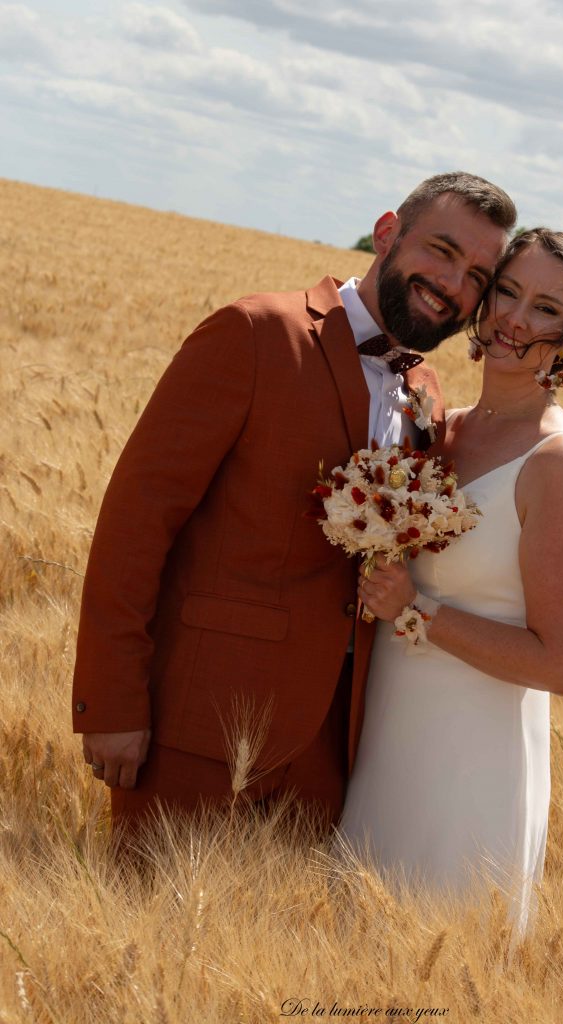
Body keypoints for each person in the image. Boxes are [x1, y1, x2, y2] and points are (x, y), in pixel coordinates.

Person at [71, 172, 516, 831]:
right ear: (387, 231)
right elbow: (137, 522)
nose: (453, 285)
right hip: (199, 729)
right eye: (442, 252)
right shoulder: (254, 332)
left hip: (333, 759)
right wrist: (109, 704)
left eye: (479, 276)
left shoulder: (426, 389)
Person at [340, 228, 563, 932]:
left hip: (469, 761)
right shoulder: (440, 425)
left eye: (547, 309)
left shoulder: (560, 462)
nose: (516, 320)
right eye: (509, 292)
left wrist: (416, 611)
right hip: (383, 736)